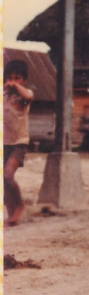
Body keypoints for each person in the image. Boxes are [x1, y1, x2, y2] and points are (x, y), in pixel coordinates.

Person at [4, 59, 34, 226]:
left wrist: (15, 87)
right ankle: (11, 214)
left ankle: (20, 206)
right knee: (4, 180)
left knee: (8, 175)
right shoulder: (4, 95)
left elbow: (28, 96)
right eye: (10, 78)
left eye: (17, 78)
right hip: (4, 142)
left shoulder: (24, 96)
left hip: (19, 142)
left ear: (24, 80)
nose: (13, 81)